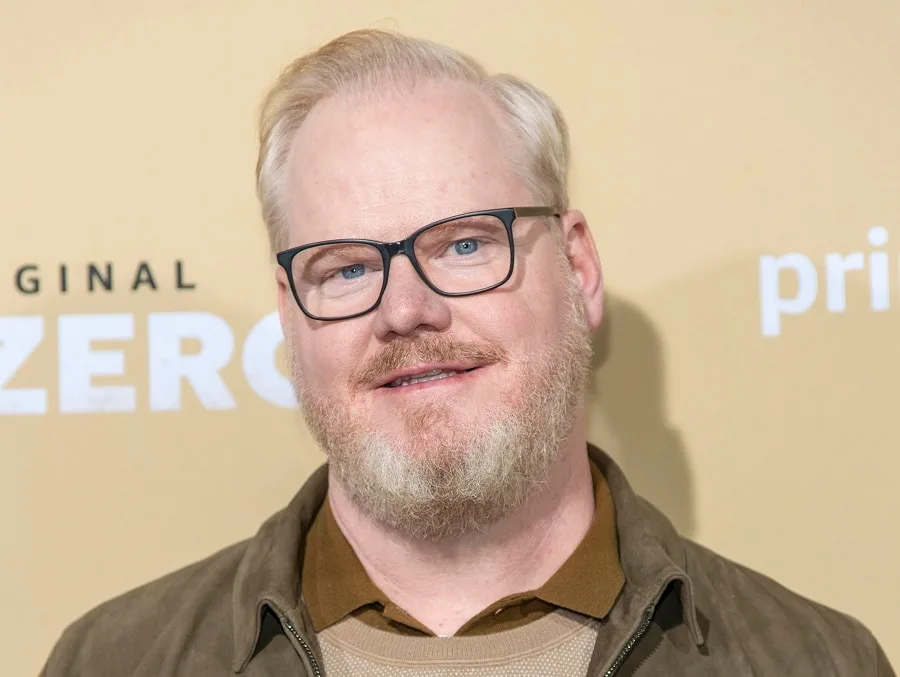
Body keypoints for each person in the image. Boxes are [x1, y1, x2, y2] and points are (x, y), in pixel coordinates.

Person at [40, 29, 894, 677]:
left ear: (579, 267)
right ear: (290, 315)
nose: (406, 311)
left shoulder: (815, 659)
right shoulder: (115, 659)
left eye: (462, 246)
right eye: (344, 267)